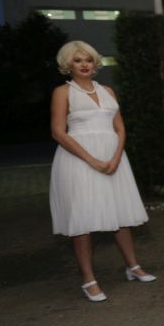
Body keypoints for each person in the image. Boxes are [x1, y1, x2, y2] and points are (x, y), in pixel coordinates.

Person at [49, 41, 153, 302]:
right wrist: (92, 160)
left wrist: (116, 157)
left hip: (114, 159)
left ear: (95, 63)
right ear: (68, 64)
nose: (84, 64)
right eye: (77, 60)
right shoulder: (63, 92)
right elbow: (58, 133)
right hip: (78, 162)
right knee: (83, 220)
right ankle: (89, 280)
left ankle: (133, 266)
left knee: (120, 213)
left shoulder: (107, 91)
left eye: (88, 59)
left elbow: (120, 128)